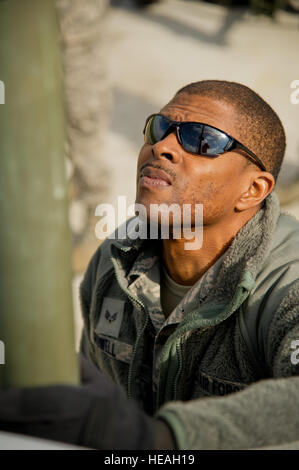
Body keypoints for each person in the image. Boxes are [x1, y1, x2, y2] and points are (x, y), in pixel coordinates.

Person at [1, 80, 299, 450]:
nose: (163, 147)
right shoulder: (115, 264)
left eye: (201, 139)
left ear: (253, 189)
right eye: (158, 128)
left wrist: (164, 439)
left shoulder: (289, 283)